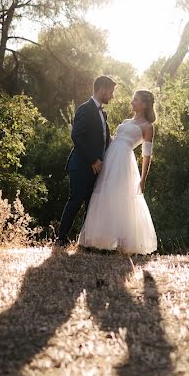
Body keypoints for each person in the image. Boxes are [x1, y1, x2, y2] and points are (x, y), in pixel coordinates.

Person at [78, 89, 158, 254]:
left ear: (143, 105)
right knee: (104, 193)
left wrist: (143, 178)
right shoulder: (126, 121)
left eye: (135, 100)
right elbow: (111, 139)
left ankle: (122, 242)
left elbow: (146, 155)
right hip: (110, 157)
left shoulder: (147, 127)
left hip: (123, 161)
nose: (132, 102)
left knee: (121, 197)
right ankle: (101, 240)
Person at [55, 75, 117, 246]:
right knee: (75, 200)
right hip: (81, 165)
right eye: (111, 92)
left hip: (95, 168)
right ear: (103, 89)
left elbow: (104, 139)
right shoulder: (85, 108)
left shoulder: (102, 113)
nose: (112, 96)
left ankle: (87, 241)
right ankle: (61, 238)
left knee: (92, 204)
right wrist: (93, 160)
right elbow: (76, 136)